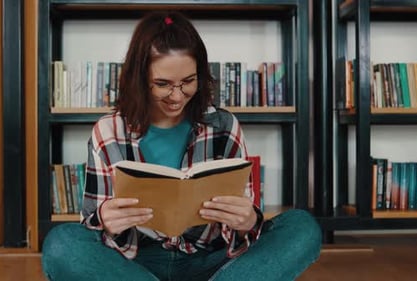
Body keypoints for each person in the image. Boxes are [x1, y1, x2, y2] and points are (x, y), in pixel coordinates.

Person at [41, 11, 321, 281]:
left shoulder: (224, 126)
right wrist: (105, 220)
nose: (177, 96)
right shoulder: (109, 131)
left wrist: (247, 220)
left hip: (211, 260)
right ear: (140, 80)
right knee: (61, 244)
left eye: (188, 81)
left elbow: (243, 223)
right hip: (136, 263)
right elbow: (91, 225)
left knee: (301, 227)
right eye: (162, 84)